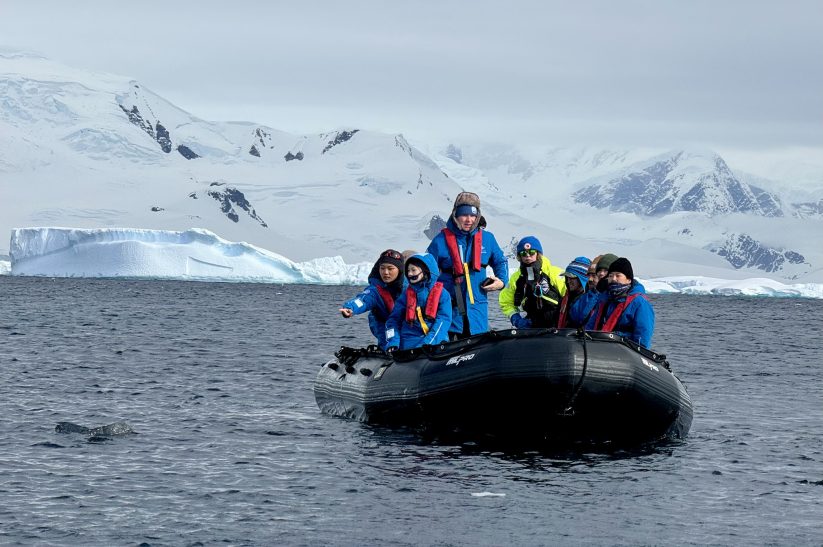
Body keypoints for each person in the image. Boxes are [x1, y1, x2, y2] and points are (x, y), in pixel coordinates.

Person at [426, 192, 508, 339]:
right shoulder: (440, 240)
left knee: (478, 350)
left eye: (473, 216)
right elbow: (426, 271)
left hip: (477, 313)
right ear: (455, 215)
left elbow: (501, 261)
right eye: (464, 215)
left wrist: (502, 281)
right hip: (449, 312)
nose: (469, 220)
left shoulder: (488, 239)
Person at [339, 249, 406, 350]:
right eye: (382, 268)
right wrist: (351, 308)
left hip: (404, 324)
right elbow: (363, 300)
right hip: (383, 324)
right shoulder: (375, 290)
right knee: (387, 343)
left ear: (399, 270)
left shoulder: (410, 288)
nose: (385, 272)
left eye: (390, 268)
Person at [385, 253, 452, 351]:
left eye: (413, 270)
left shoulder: (443, 294)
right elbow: (392, 321)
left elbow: (443, 321)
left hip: (435, 343)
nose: (410, 274)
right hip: (408, 345)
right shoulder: (405, 295)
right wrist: (392, 342)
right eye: (408, 270)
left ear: (426, 271)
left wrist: (428, 343)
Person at [583, 257, 655, 348]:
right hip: (600, 349)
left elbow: (643, 338)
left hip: (623, 353)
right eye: (610, 275)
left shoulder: (640, 303)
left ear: (628, 280)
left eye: (618, 275)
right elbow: (590, 327)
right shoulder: (604, 301)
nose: (613, 279)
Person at [499, 236, 566, 329]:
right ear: (519, 256)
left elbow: (570, 296)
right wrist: (515, 318)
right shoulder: (516, 279)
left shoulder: (554, 273)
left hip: (557, 325)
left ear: (538, 254)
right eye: (523, 253)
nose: (528, 256)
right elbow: (506, 302)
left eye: (531, 252)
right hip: (532, 326)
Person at [557, 256, 593, 328]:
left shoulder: (589, 300)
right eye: (567, 277)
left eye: (572, 278)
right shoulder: (565, 299)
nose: (568, 281)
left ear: (582, 279)